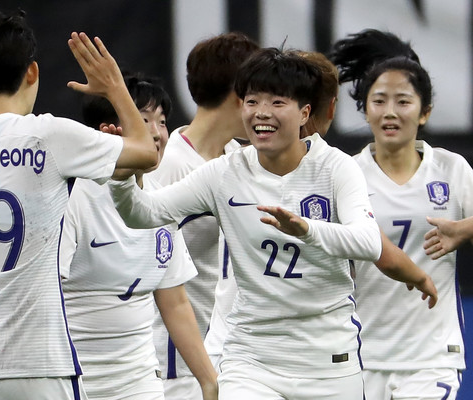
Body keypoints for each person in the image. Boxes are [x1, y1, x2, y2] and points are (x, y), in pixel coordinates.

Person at [107, 47, 436, 399]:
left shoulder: (336, 167)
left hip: (328, 362)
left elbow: (368, 242)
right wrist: (121, 174)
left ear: (304, 112)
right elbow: (142, 213)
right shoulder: (224, 173)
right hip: (251, 361)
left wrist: (307, 230)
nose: (261, 113)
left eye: (277, 102)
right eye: (251, 101)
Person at [0, 9, 158, 400]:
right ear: (32, 72)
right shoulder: (47, 135)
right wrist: (115, 90)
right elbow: (145, 154)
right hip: (35, 361)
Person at [330, 28, 473, 399]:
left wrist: (465, 228)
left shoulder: (451, 169)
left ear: (425, 112)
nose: (390, 112)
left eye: (403, 102)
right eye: (379, 101)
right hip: (360, 359)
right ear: (364, 109)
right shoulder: (346, 173)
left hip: (432, 357)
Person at [60, 72, 218, 400]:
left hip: (140, 383)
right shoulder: (69, 196)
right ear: (106, 131)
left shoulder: (161, 202)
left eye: (162, 122)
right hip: (73, 382)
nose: (158, 134)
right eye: (144, 120)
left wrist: (208, 381)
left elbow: (175, 303)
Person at [145, 32, 259, 399]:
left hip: (223, 355)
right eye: (257, 92)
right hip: (173, 366)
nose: (264, 108)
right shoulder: (169, 167)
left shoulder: (236, 158)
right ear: (237, 93)